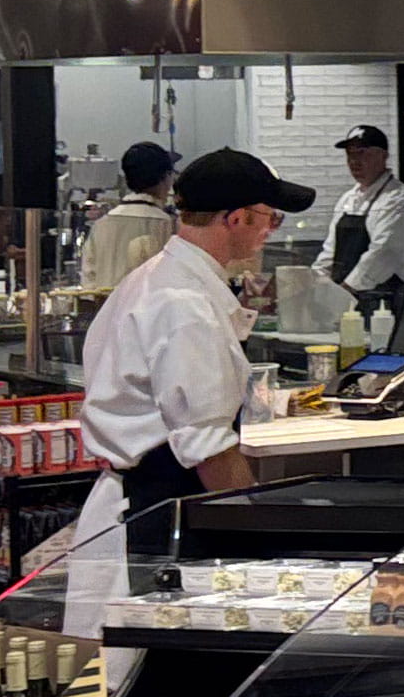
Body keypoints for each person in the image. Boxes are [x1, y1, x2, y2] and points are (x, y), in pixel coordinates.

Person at [64, 146, 317, 618]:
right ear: (236, 218)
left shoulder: (156, 278)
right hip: (156, 516)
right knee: (149, 652)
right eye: (271, 218)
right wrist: (256, 542)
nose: (271, 230)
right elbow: (209, 450)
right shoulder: (185, 305)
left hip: (140, 503)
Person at [320, 125, 404, 306]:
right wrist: (316, 283)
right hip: (345, 298)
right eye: (350, 154)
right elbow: (330, 251)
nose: (354, 161)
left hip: (382, 301)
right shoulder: (348, 198)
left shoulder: (399, 198)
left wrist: (343, 292)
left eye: (362, 153)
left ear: (383, 156)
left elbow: (384, 253)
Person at [74, 142, 180, 294]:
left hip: (106, 306)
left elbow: (88, 281)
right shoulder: (167, 226)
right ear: (166, 177)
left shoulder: (102, 225)